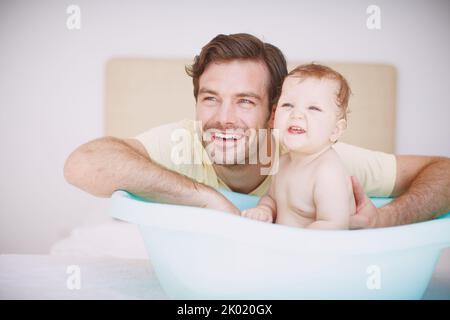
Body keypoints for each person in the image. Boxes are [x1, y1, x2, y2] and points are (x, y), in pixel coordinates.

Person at [63, 33, 450, 228]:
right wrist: (205, 198)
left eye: (245, 101)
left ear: (274, 112)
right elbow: (83, 164)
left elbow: (443, 171)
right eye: (210, 98)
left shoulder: (315, 160)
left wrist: (384, 220)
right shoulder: (184, 142)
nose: (223, 118)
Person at [242, 63, 356, 229]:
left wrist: (296, 245)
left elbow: (334, 225)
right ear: (274, 116)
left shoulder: (327, 172)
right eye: (288, 105)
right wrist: (265, 209)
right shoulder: (283, 163)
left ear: (335, 130)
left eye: (314, 108)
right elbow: (272, 199)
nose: (296, 115)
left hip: (313, 251)